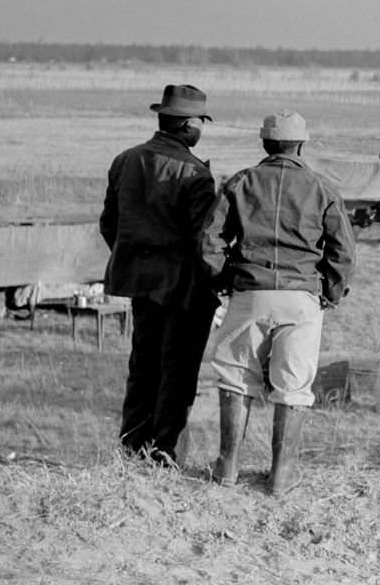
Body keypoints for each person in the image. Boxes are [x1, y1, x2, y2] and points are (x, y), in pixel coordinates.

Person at [201, 110, 355, 496]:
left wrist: (223, 282)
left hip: (249, 291)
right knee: (293, 386)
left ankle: (227, 467)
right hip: (302, 296)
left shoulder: (240, 182)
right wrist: (329, 294)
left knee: (236, 378)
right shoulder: (322, 188)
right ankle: (282, 475)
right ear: (301, 145)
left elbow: (210, 242)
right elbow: (343, 252)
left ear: (265, 144)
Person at [99, 84, 220, 466]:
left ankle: (132, 450)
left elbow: (109, 226)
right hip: (184, 290)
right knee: (177, 376)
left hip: (141, 283)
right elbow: (204, 241)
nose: (200, 129)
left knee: (143, 368)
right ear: (186, 125)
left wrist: (137, 260)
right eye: (199, 122)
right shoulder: (195, 174)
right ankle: (163, 455)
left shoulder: (125, 160)